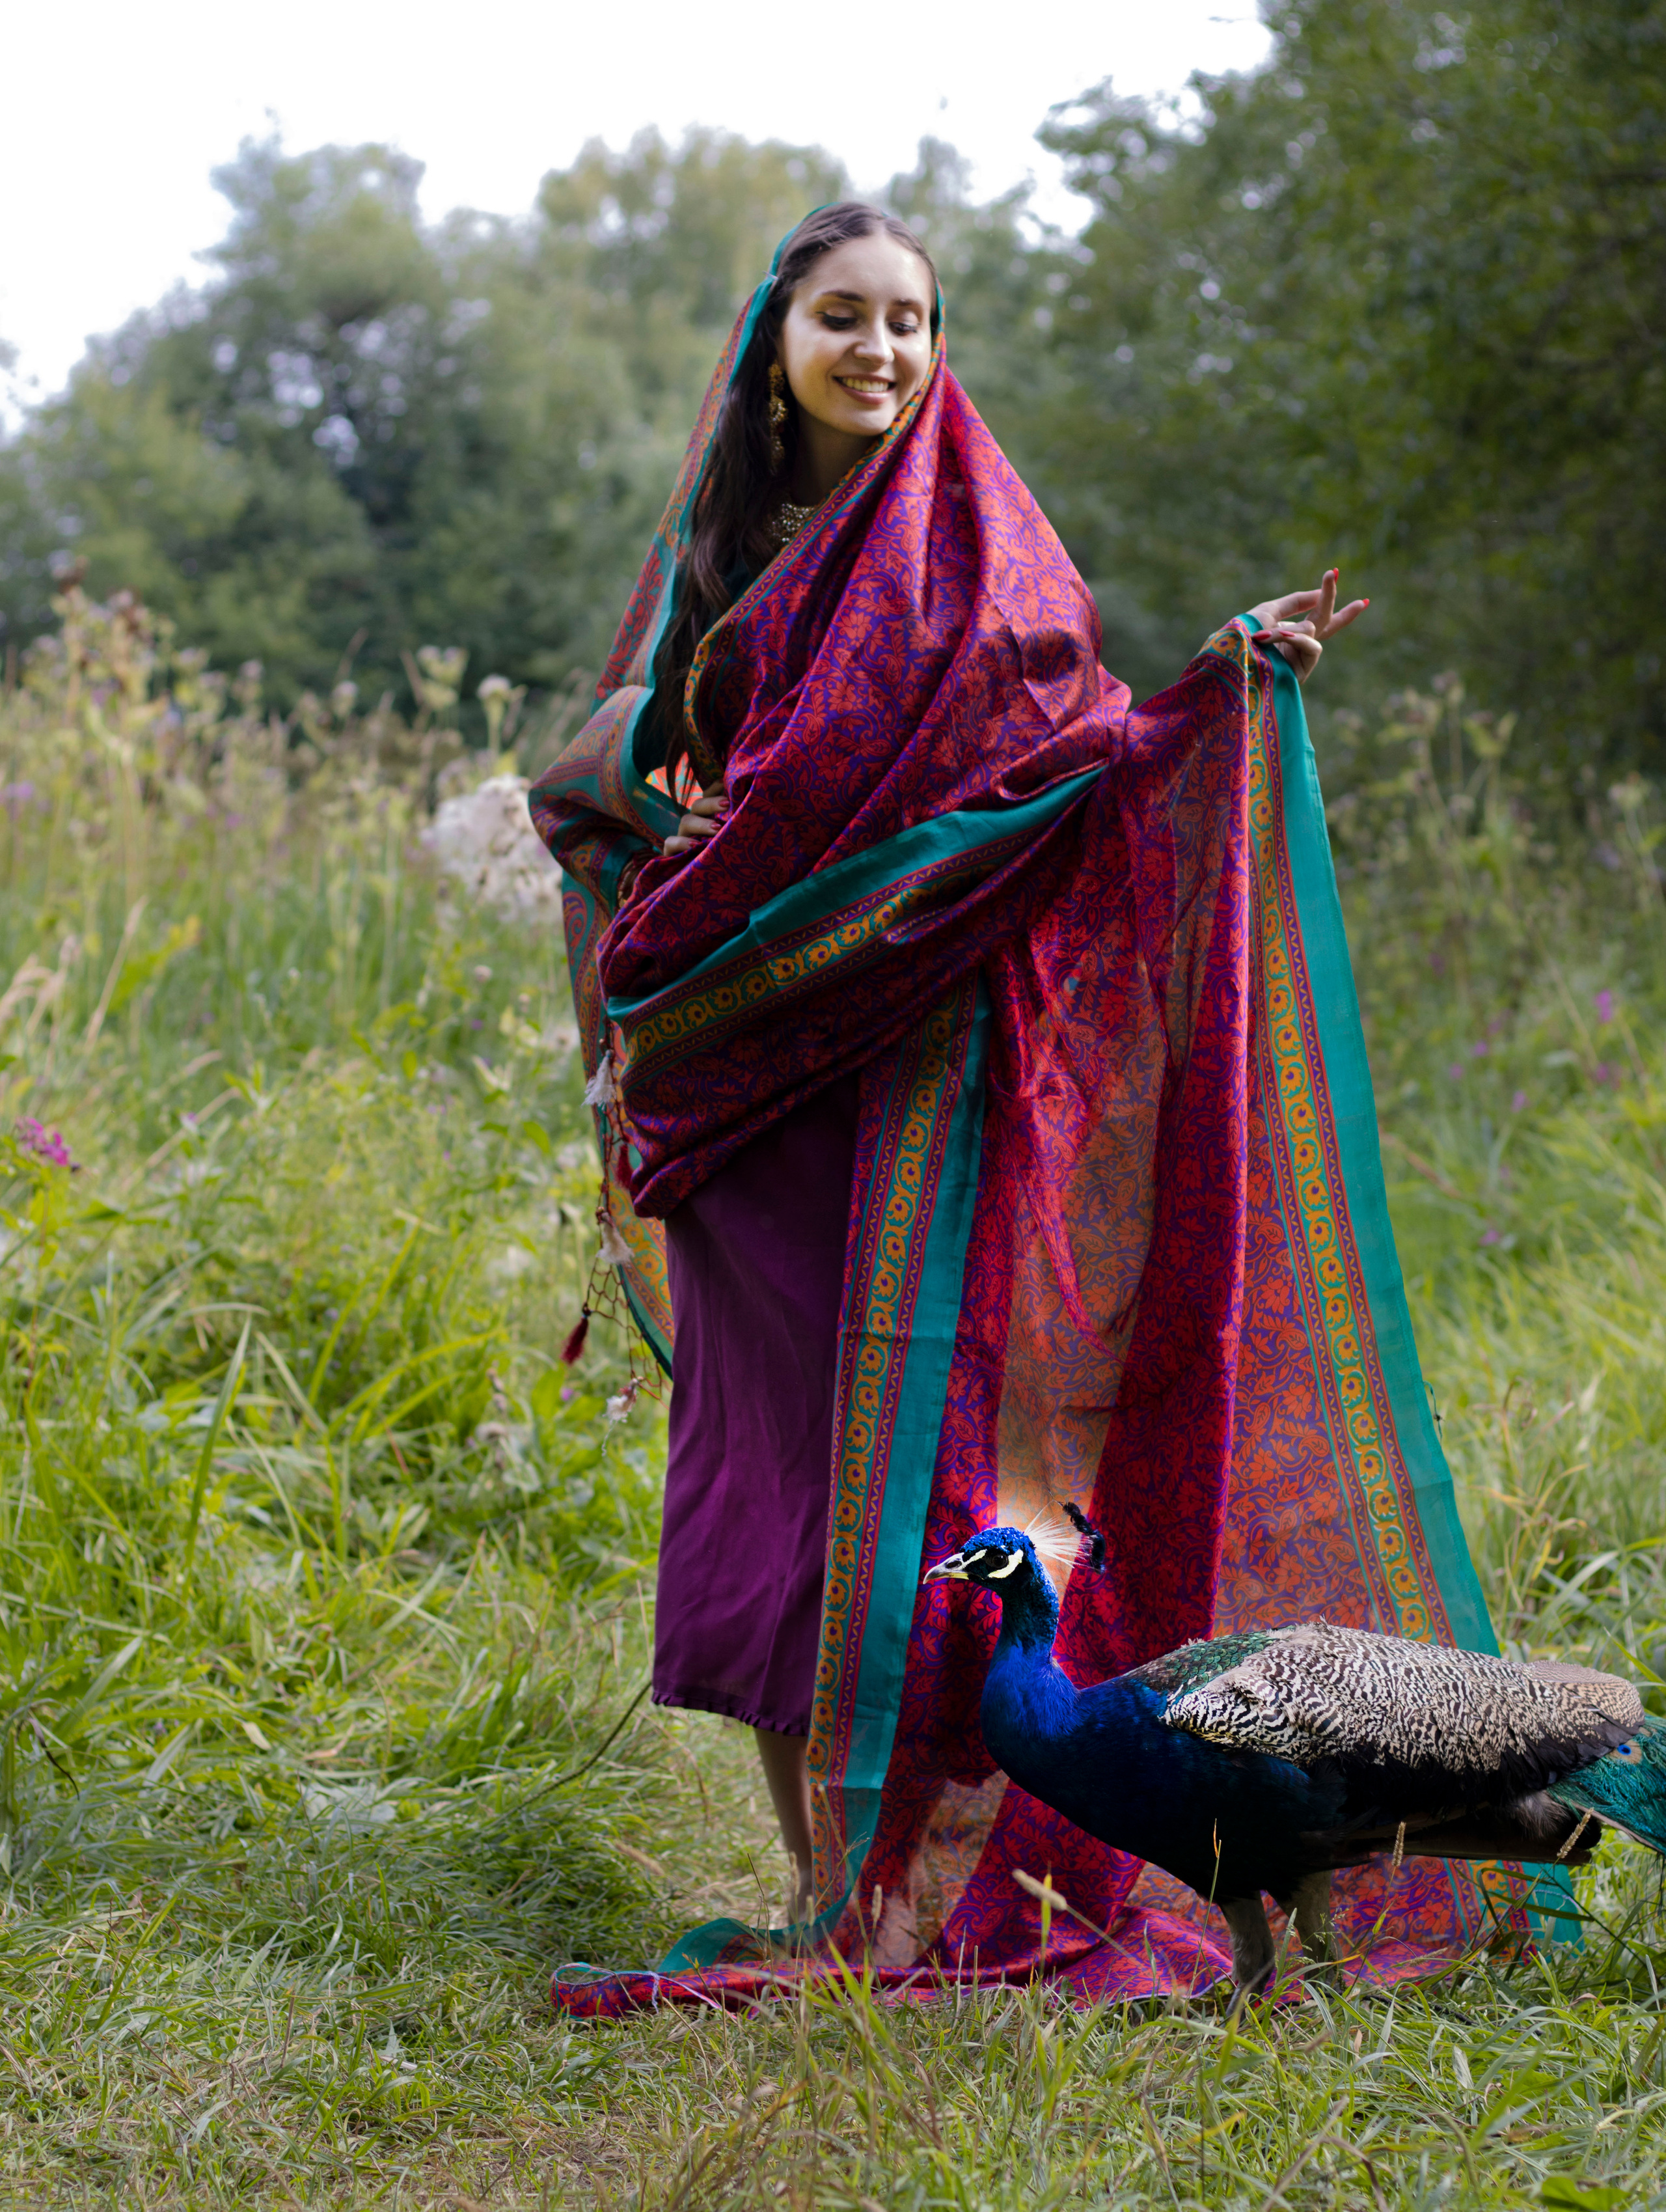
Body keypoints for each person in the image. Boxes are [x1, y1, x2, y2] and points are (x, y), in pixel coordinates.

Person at [534, 205, 1515, 2015]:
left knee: (899, 1517)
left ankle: (908, 1898)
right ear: (776, 340)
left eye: (912, 320)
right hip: (749, 1112)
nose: (882, 352)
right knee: (764, 1504)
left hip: (917, 1111)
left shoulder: (983, 553)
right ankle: (830, 1893)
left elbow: (1070, 782)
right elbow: (596, 776)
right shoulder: (719, 556)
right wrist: (670, 910)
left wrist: (1217, 687)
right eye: (844, 318)